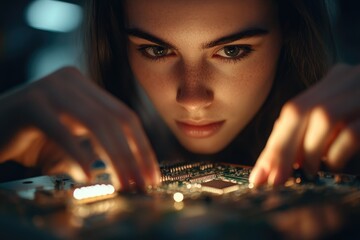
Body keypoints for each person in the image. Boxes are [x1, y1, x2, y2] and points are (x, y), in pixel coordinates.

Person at [0, 0, 359, 190]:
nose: (191, 98)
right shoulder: (56, 155)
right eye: (156, 51)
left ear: (290, 38)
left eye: (232, 51)